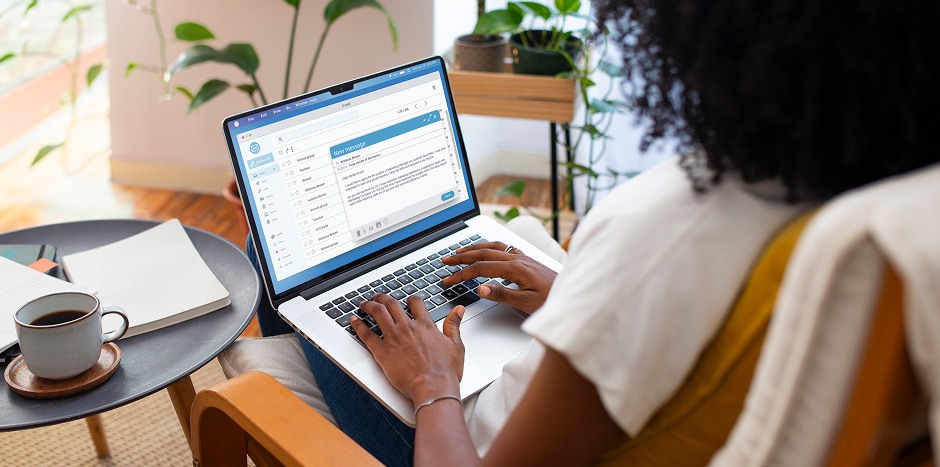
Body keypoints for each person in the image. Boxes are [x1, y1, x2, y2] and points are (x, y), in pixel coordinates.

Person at [244, 0, 940, 464]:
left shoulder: (667, 227)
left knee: (272, 265)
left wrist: (432, 383)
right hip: (538, 372)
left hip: (452, 433)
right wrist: (577, 298)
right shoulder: (875, 195)